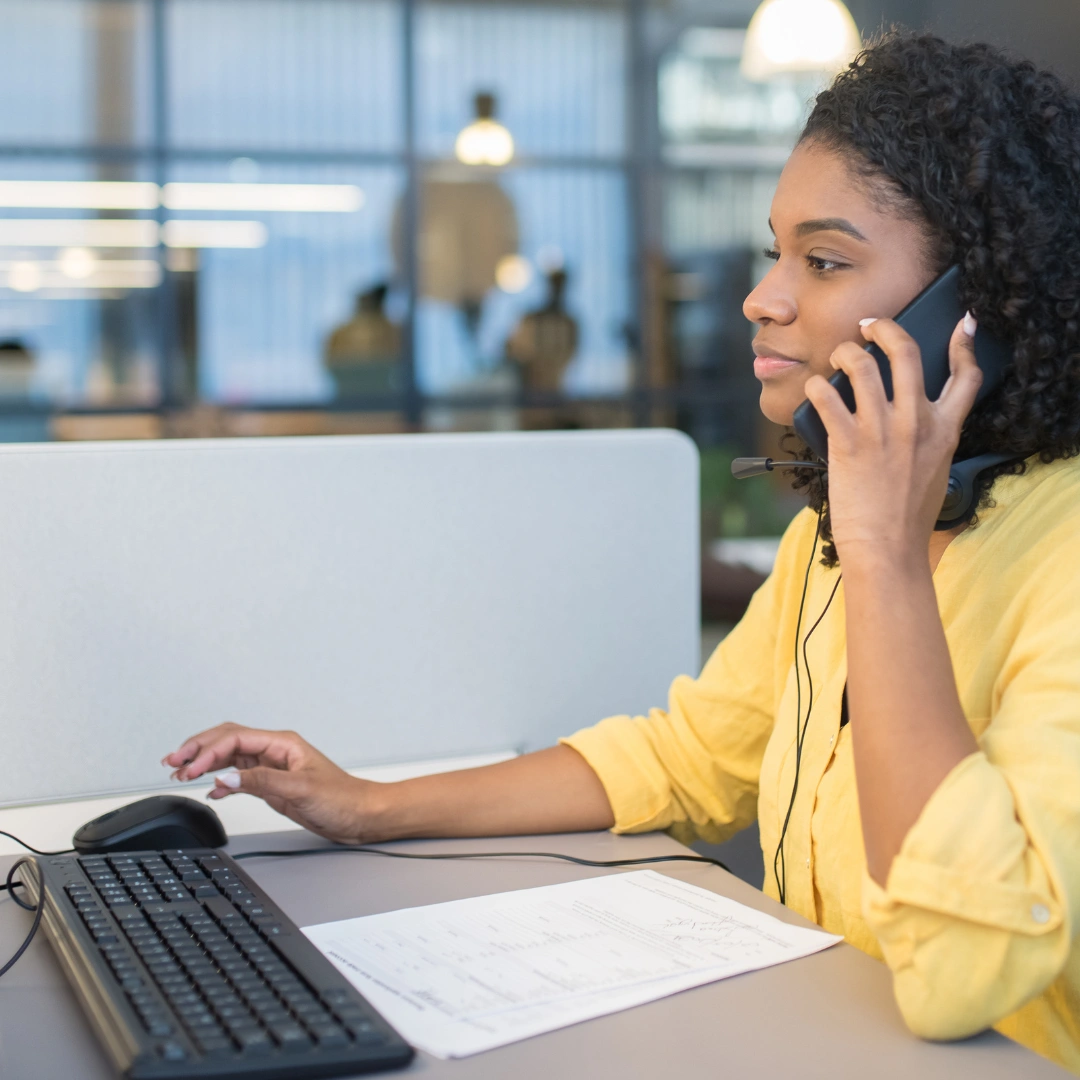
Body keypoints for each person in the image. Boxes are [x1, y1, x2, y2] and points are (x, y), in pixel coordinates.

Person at [163, 34, 1080, 1072]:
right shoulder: (825, 549)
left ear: (971, 315)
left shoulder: (1027, 558)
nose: (763, 297)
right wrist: (368, 807)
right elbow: (688, 758)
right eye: (773, 251)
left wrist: (883, 553)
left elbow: (966, 969)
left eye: (822, 261)